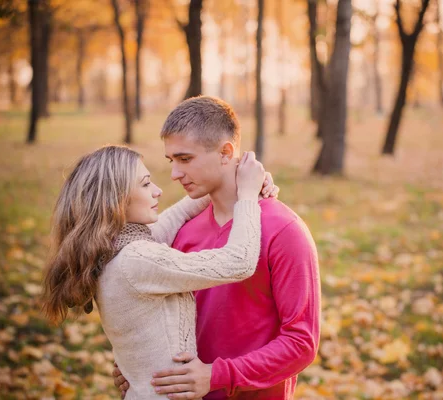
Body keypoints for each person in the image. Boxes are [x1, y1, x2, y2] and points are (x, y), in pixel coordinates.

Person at [113, 96, 321, 399]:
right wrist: (136, 362)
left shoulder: (284, 231)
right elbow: (162, 314)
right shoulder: (183, 233)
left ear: (226, 153)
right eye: (172, 161)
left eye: (185, 159)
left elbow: (301, 343)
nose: (174, 174)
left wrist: (217, 376)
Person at [42, 145, 277, 399]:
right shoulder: (137, 259)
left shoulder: (111, 248)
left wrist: (230, 179)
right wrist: (248, 196)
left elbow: (180, 212)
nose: (158, 190)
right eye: (145, 184)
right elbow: (239, 261)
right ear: (116, 199)